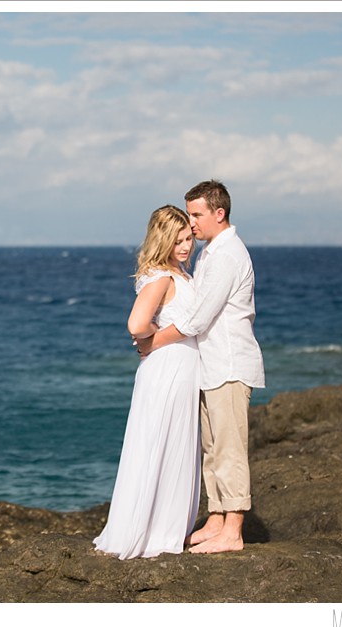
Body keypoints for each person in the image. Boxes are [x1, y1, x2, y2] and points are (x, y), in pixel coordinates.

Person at [136, 179, 265, 554]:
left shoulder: (226, 255)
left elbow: (197, 318)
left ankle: (234, 531)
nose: (190, 224)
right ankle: (217, 519)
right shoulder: (213, 251)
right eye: (189, 214)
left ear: (218, 213)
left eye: (196, 215)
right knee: (212, 447)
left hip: (228, 364)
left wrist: (151, 342)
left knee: (229, 449)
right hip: (211, 367)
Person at [93, 205, 202, 560]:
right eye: (177, 241)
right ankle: (153, 533)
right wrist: (152, 338)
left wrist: (152, 339)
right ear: (163, 241)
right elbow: (136, 324)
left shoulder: (175, 272)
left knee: (171, 445)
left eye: (188, 239)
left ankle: (163, 528)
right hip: (168, 370)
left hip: (176, 368)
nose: (186, 247)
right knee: (160, 444)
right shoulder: (163, 277)